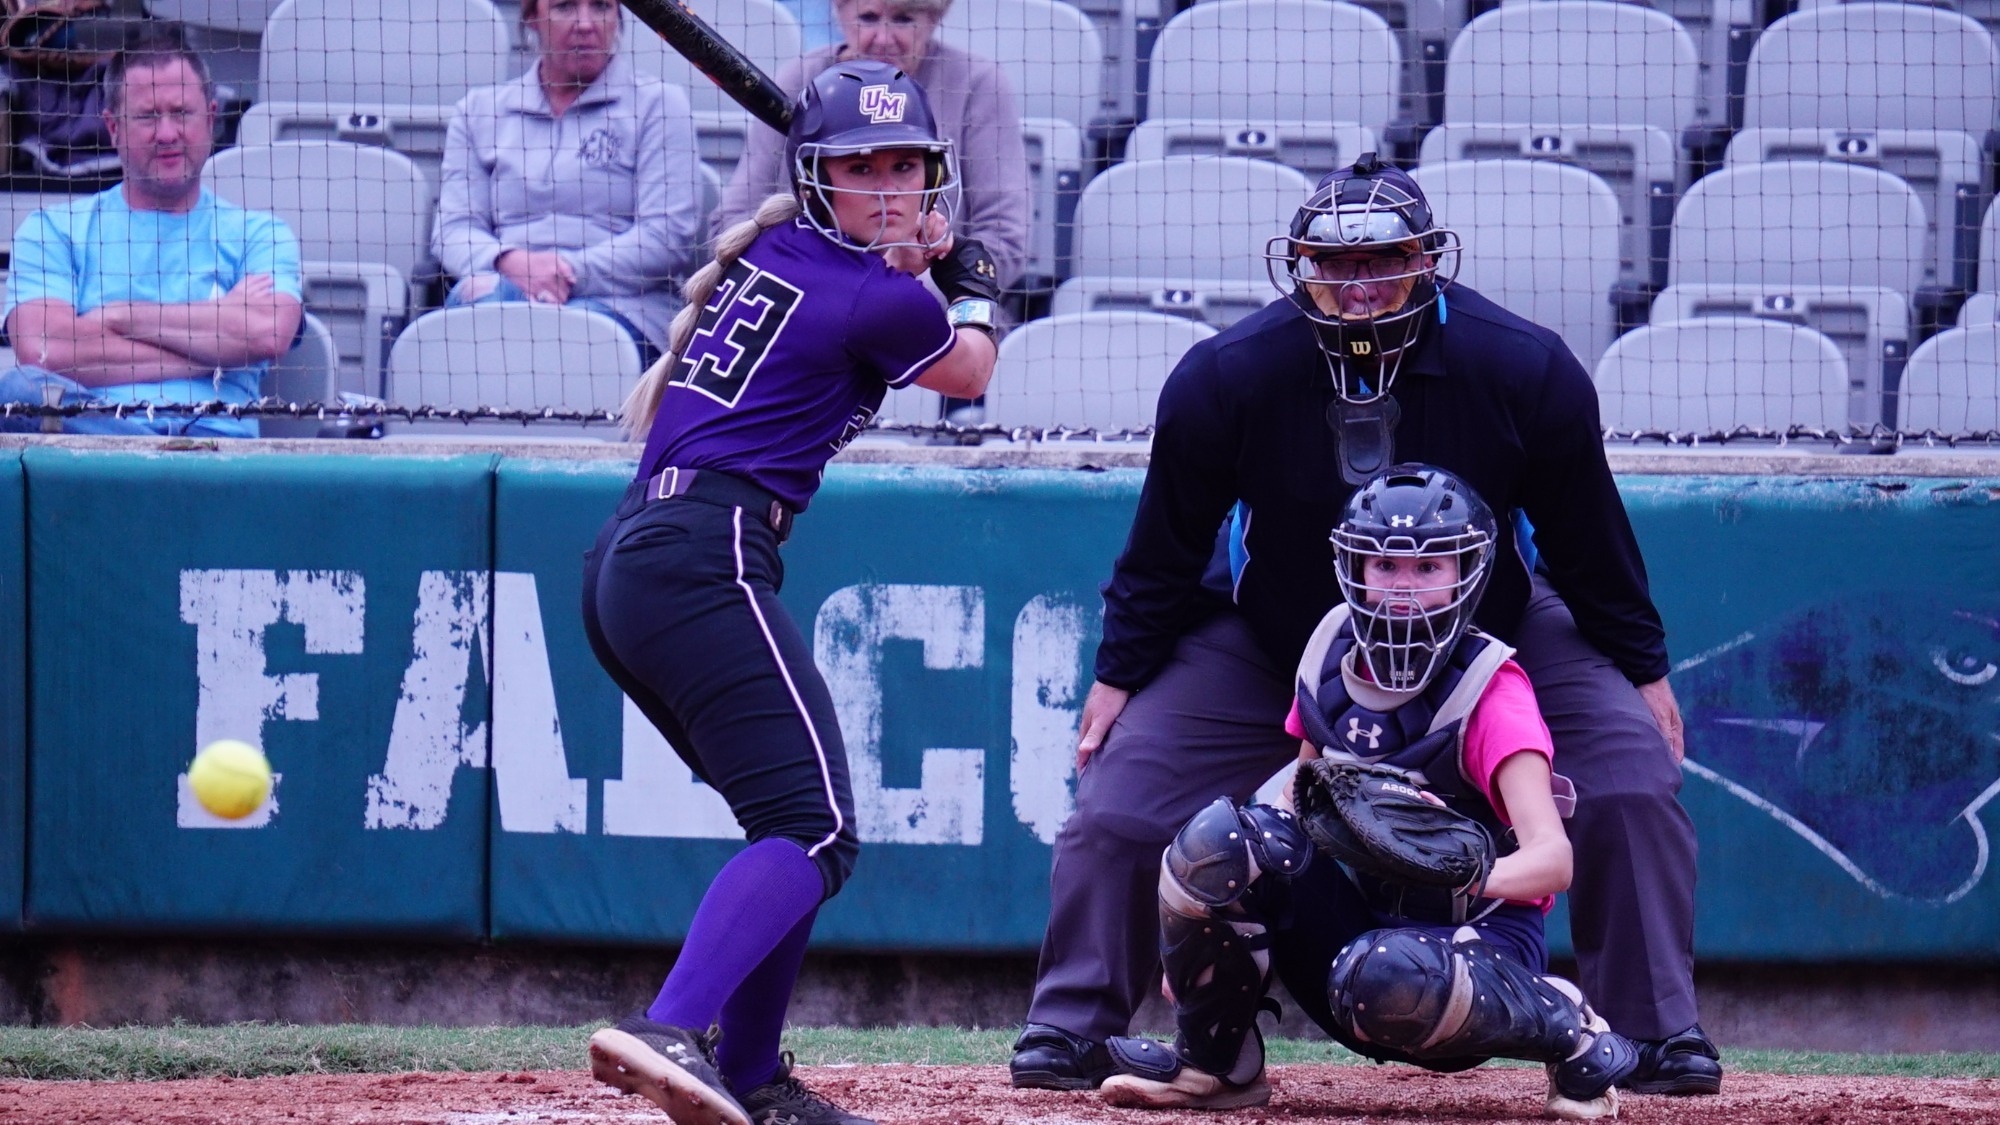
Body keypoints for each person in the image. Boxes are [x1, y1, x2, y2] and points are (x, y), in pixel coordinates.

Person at [1011, 154, 1721, 1098]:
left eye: (1381, 262)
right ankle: (1077, 1026)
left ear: (1429, 262)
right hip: (1281, 640)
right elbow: (1164, 547)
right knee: (1118, 808)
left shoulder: (1522, 366)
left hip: (1489, 638)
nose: (1355, 288)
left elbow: (1589, 537)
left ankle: (1650, 1033)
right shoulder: (1229, 375)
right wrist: (1118, 677)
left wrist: (1642, 666)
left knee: (1634, 780)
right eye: (1331, 266)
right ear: (1298, 265)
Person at [581, 59, 998, 1125]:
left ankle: (756, 1076)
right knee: (816, 834)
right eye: (861, 167)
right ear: (815, 177)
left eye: (905, 165)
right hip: (702, 552)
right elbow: (969, 369)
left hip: (637, 561)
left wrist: (911, 258)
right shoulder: (875, 296)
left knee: (789, 825)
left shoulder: (772, 248)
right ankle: (670, 1026)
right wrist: (972, 277)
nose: (889, 185)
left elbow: (878, 292)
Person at [1094, 465, 1640, 1120]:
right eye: (1384, 564)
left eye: (1428, 567)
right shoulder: (1328, 653)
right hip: (1360, 934)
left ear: (1468, 571)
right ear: (1352, 566)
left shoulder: (1490, 689)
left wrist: (1464, 871)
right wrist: (1209, 926)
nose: (1403, 589)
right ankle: (1216, 1063)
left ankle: (1566, 1022)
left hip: (1471, 945)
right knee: (1218, 838)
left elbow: (1554, 861)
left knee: (1382, 972)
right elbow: (1293, 796)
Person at [0, 26, 303, 438]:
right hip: (96, 445)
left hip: (215, 446)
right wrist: (218, 346)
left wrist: (118, 318)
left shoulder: (260, 234)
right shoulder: (52, 231)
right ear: (113, 127)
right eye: (146, 116)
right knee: (18, 390)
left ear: (210, 118)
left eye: (181, 112)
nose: (166, 133)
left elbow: (268, 332)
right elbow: (45, 353)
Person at [433, 0, 704, 365]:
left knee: (570, 341)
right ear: (531, 17)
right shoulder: (478, 112)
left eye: (602, 7)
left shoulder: (660, 106)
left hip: (626, 305)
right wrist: (510, 263)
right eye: (564, 7)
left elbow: (666, 237)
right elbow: (453, 230)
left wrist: (567, 273)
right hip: (501, 284)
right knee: (482, 318)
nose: (586, 24)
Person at [711, 0, 1031, 293]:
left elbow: (1007, 238)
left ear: (934, 18)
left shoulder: (978, 83)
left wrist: (906, 288)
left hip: (937, 314)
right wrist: (826, 292)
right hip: (806, 308)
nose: (883, 38)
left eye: (904, 19)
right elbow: (733, 221)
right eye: (868, 17)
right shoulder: (802, 77)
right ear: (840, 12)